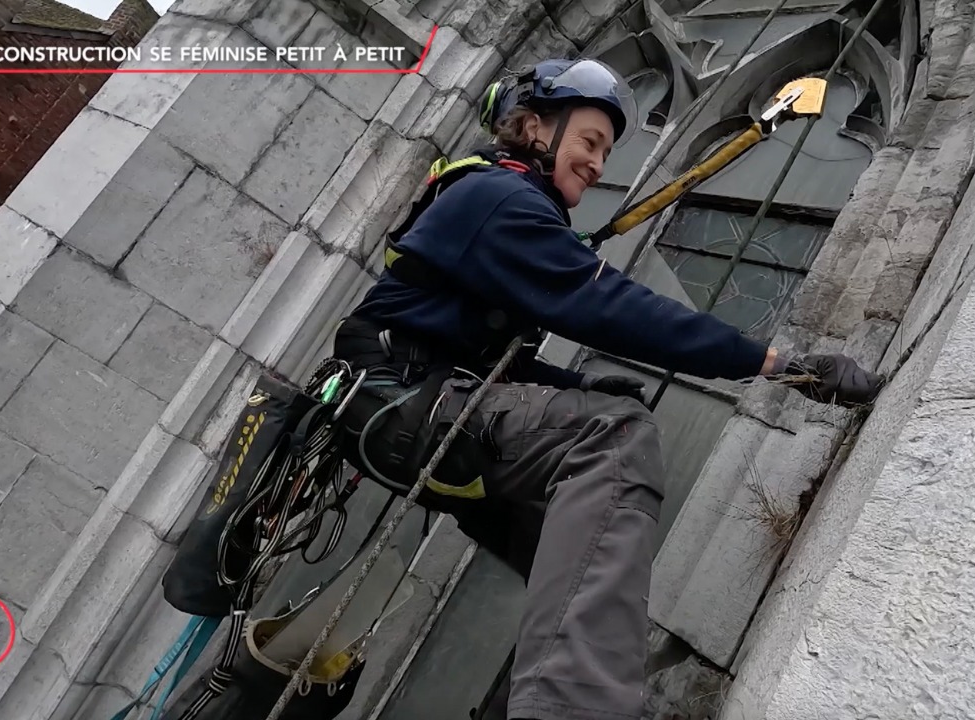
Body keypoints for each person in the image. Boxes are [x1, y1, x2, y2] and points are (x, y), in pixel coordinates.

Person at [332, 58, 882, 720]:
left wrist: (575, 382)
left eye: (605, 151)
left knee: (577, 575)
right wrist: (776, 363)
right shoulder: (500, 200)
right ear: (535, 128)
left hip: (409, 403)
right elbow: (610, 306)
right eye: (590, 142)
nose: (597, 163)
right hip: (410, 399)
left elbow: (487, 358)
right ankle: (571, 709)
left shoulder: (494, 200)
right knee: (617, 438)